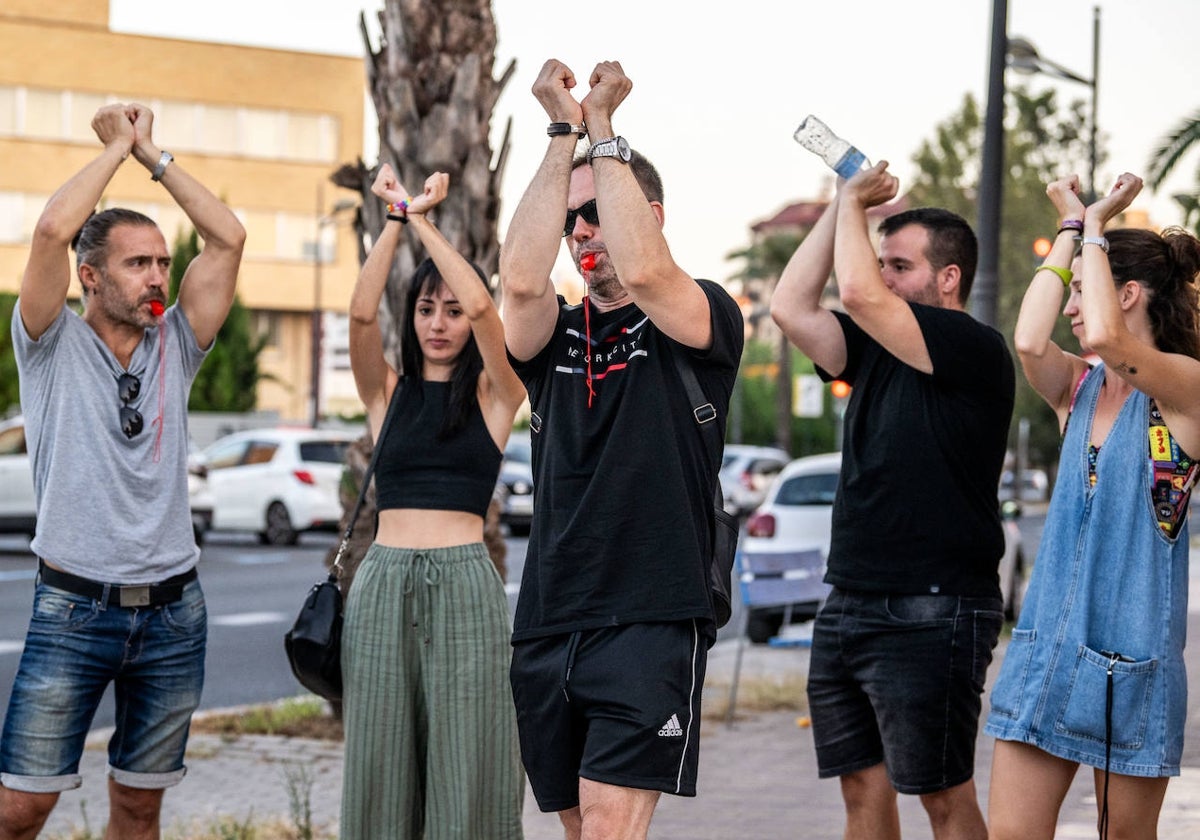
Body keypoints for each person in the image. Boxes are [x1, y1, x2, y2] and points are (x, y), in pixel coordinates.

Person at [499, 59, 744, 840]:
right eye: (575, 219)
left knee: (609, 830)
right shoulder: (555, 336)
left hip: (651, 611)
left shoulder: (699, 317)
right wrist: (561, 132)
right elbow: (520, 281)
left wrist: (603, 126)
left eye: (598, 212)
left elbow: (644, 269)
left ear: (650, 212)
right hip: (550, 616)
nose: (581, 232)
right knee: (580, 831)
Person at [0, 103, 245, 839]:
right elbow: (49, 229)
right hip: (73, 609)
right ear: (90, 276)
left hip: (175, 614)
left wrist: (152, 155)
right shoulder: (47, 341)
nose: (157, 277)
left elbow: (227, 236)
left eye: (163, 262)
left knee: (139, 808)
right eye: (138, 263)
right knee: (21, 807)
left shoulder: (180, 340)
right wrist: (113, 150)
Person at [770, 163, 1015, 840]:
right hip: (849, 599)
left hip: (934, 606)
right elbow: (790, 308)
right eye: (882, 263)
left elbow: (856, 292)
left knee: (943, 798)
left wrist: (852, 201)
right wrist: (839, 207)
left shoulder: (975, 347)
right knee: (861, 792)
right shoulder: (873, 350)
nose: (881, 278)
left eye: (899, 266)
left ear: (948, 278)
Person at [985, 173, 1200, 840]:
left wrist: (1100, 228)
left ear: (1127, 292)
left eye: (1079, 292)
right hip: (1044, 652)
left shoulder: (1186, 393)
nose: (1069, 309)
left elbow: (1109, 336)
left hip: (1127, 671)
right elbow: (1026, 339)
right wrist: (1073, 230)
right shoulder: (1075, 389)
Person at [339, 163, 527, 840]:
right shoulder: (385, 396)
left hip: (464, 584)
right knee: (380, 764)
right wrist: (392, 219)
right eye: (425, 309)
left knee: (467, 764)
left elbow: (485, 308)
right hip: (382, 582)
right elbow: (361, 312)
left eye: (448, 310)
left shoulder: (497, 396)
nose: (440, 323)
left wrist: (422, 218)